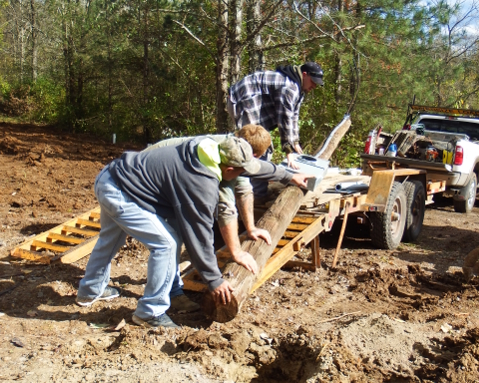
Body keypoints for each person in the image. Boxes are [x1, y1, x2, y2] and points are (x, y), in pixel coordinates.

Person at [76, 136, 264, 328]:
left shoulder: (202, 149)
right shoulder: (202, 183)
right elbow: (199, 236)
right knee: (167, 243)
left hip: (111, 176)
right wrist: (214, 280)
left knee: (111, 237)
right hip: (120, 193)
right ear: (230, 170)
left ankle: (90, 289)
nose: (242, 176)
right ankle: (150, 312)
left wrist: (287, 175)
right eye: (241, 172)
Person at [143, 125, 311, 313]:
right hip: (152, 179)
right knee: (171, 239)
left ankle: (104, 283)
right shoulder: (222, 161)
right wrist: (236, 253)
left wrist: (252, 227)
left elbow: (245, 190)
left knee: (121, 237)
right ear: (249, 154)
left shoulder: (233, 151)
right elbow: (225, 210)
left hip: (150, 176)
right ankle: (170, 294)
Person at [227, 61, 324, 199]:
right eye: (313, 82)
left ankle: (255, 190)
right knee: (258, 146)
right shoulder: (289, 87)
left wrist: (295, 142)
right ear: (304, 75)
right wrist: (288, 150)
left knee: (262, 146)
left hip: (254, 101)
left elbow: (293, 116)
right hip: (243, 99)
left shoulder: (299, 88)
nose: (314, 86)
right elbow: (284, 117)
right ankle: (256, 195)